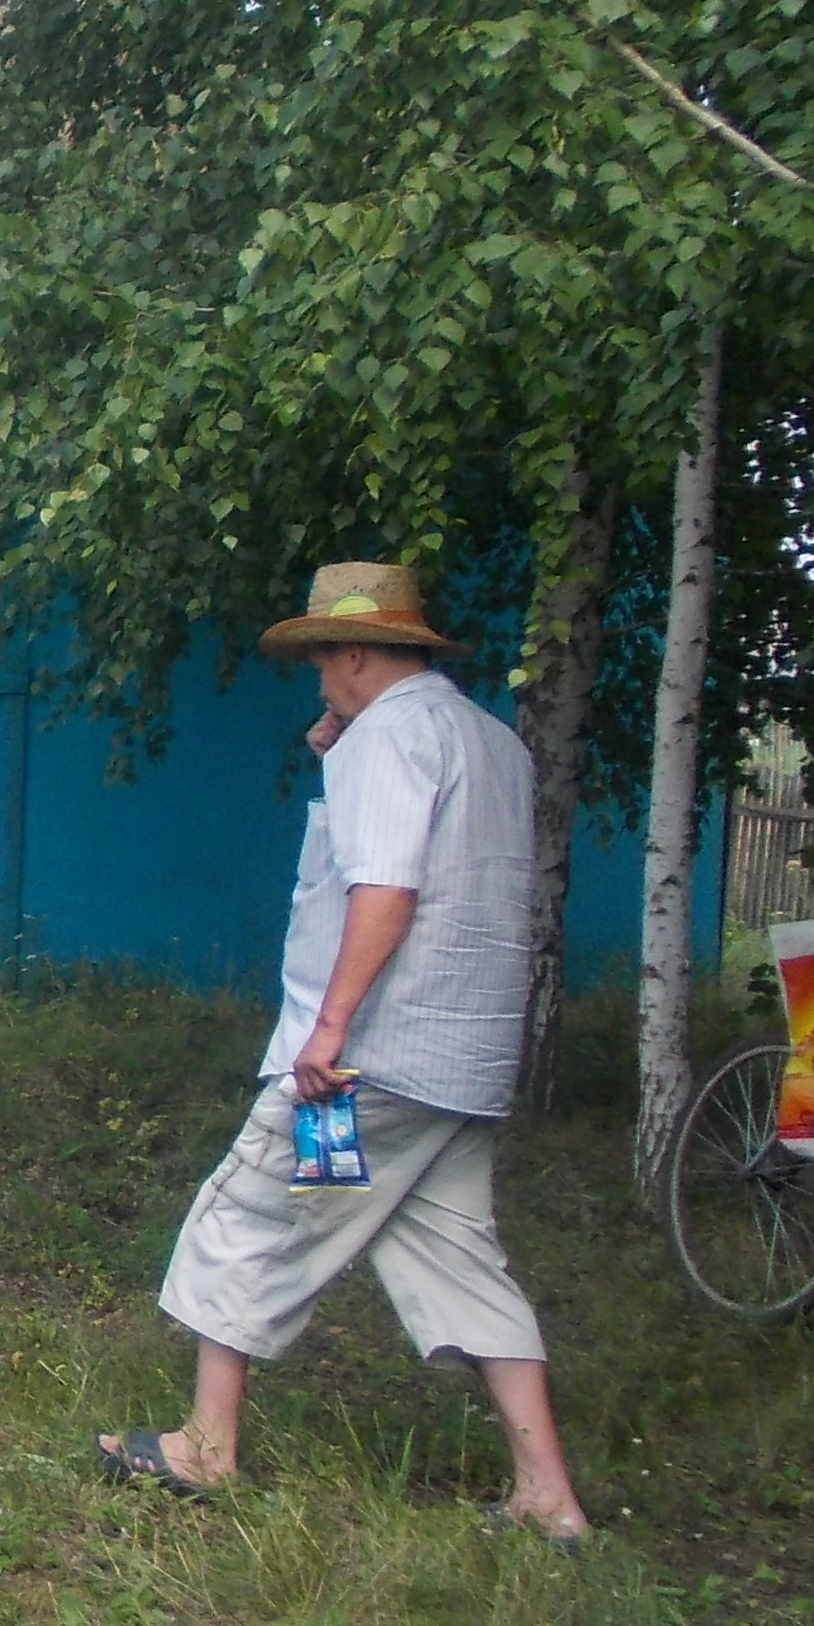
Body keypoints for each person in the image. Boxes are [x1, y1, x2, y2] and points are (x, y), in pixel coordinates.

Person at [92, 563, 591, 1541]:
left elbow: (387, 888)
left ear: (356, 650)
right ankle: (548, 1495)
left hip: (365, 1066)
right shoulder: (487, 741)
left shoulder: (392, 740)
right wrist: (343, 747)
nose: (317, 676)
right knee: (456, 1256)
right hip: (461, 1067)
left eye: (322, 655)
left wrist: (329, 1032)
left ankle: (206, 1447)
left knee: (250, 1213)